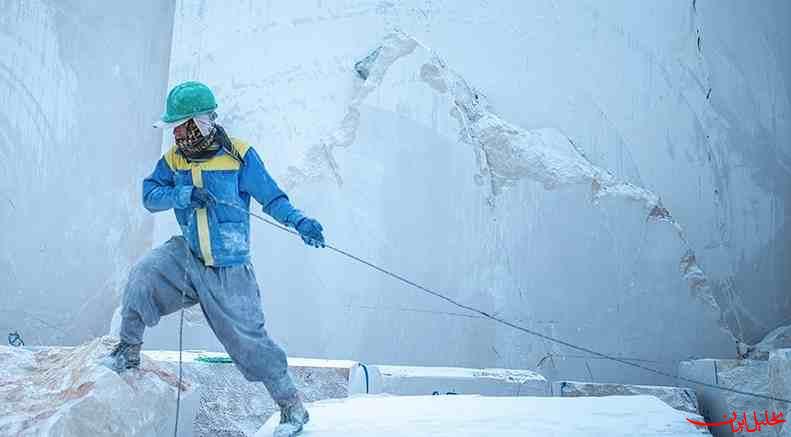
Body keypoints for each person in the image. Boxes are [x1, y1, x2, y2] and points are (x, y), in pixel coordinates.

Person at [107, 81, 323, 436]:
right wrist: (184, 194)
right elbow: (150, 195)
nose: (174, 133)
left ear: (199, 123)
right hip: (187, 258)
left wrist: (299, 222)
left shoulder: (240, 155)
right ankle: (127, 351)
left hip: (229, 269)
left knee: (251, 342)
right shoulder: (174, 158)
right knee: (143, 275)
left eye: (179, 125)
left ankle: (291, 408)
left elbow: (272, 198)